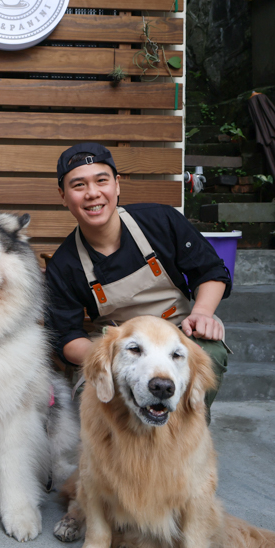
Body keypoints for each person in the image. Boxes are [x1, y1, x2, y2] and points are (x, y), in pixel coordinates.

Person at [43, 143, 231, 416]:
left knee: (210, 354)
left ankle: (184, 438)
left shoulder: (161, 220)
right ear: (63, 195)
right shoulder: (64, 265)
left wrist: (202, 313)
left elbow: (212, 272)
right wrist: (112, 356)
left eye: (101, 181)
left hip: (177, 332)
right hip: (120, 347)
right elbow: (67, 338)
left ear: (117, 185)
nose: (93, 193)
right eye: (79, 185)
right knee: (91, 395)